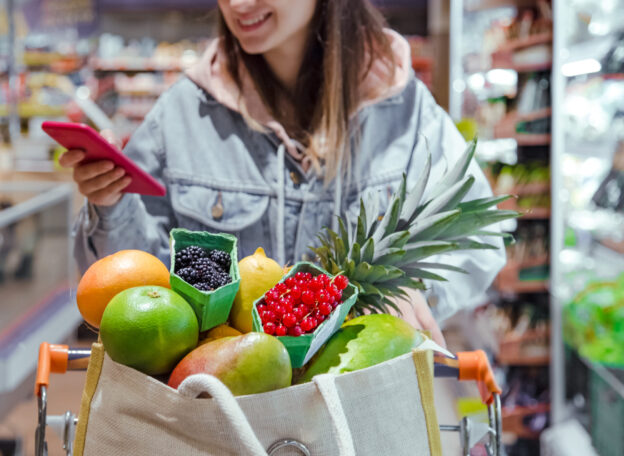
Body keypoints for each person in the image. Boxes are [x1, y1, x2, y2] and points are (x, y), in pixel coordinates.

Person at [61, 0, 506, 346]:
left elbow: (483, 233)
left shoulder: (404, 109)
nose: (238, 4)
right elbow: (128, 292)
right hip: (223, 423)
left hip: (360, 416)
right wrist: (110, 202)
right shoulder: (183, 114)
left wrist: (413, 289)